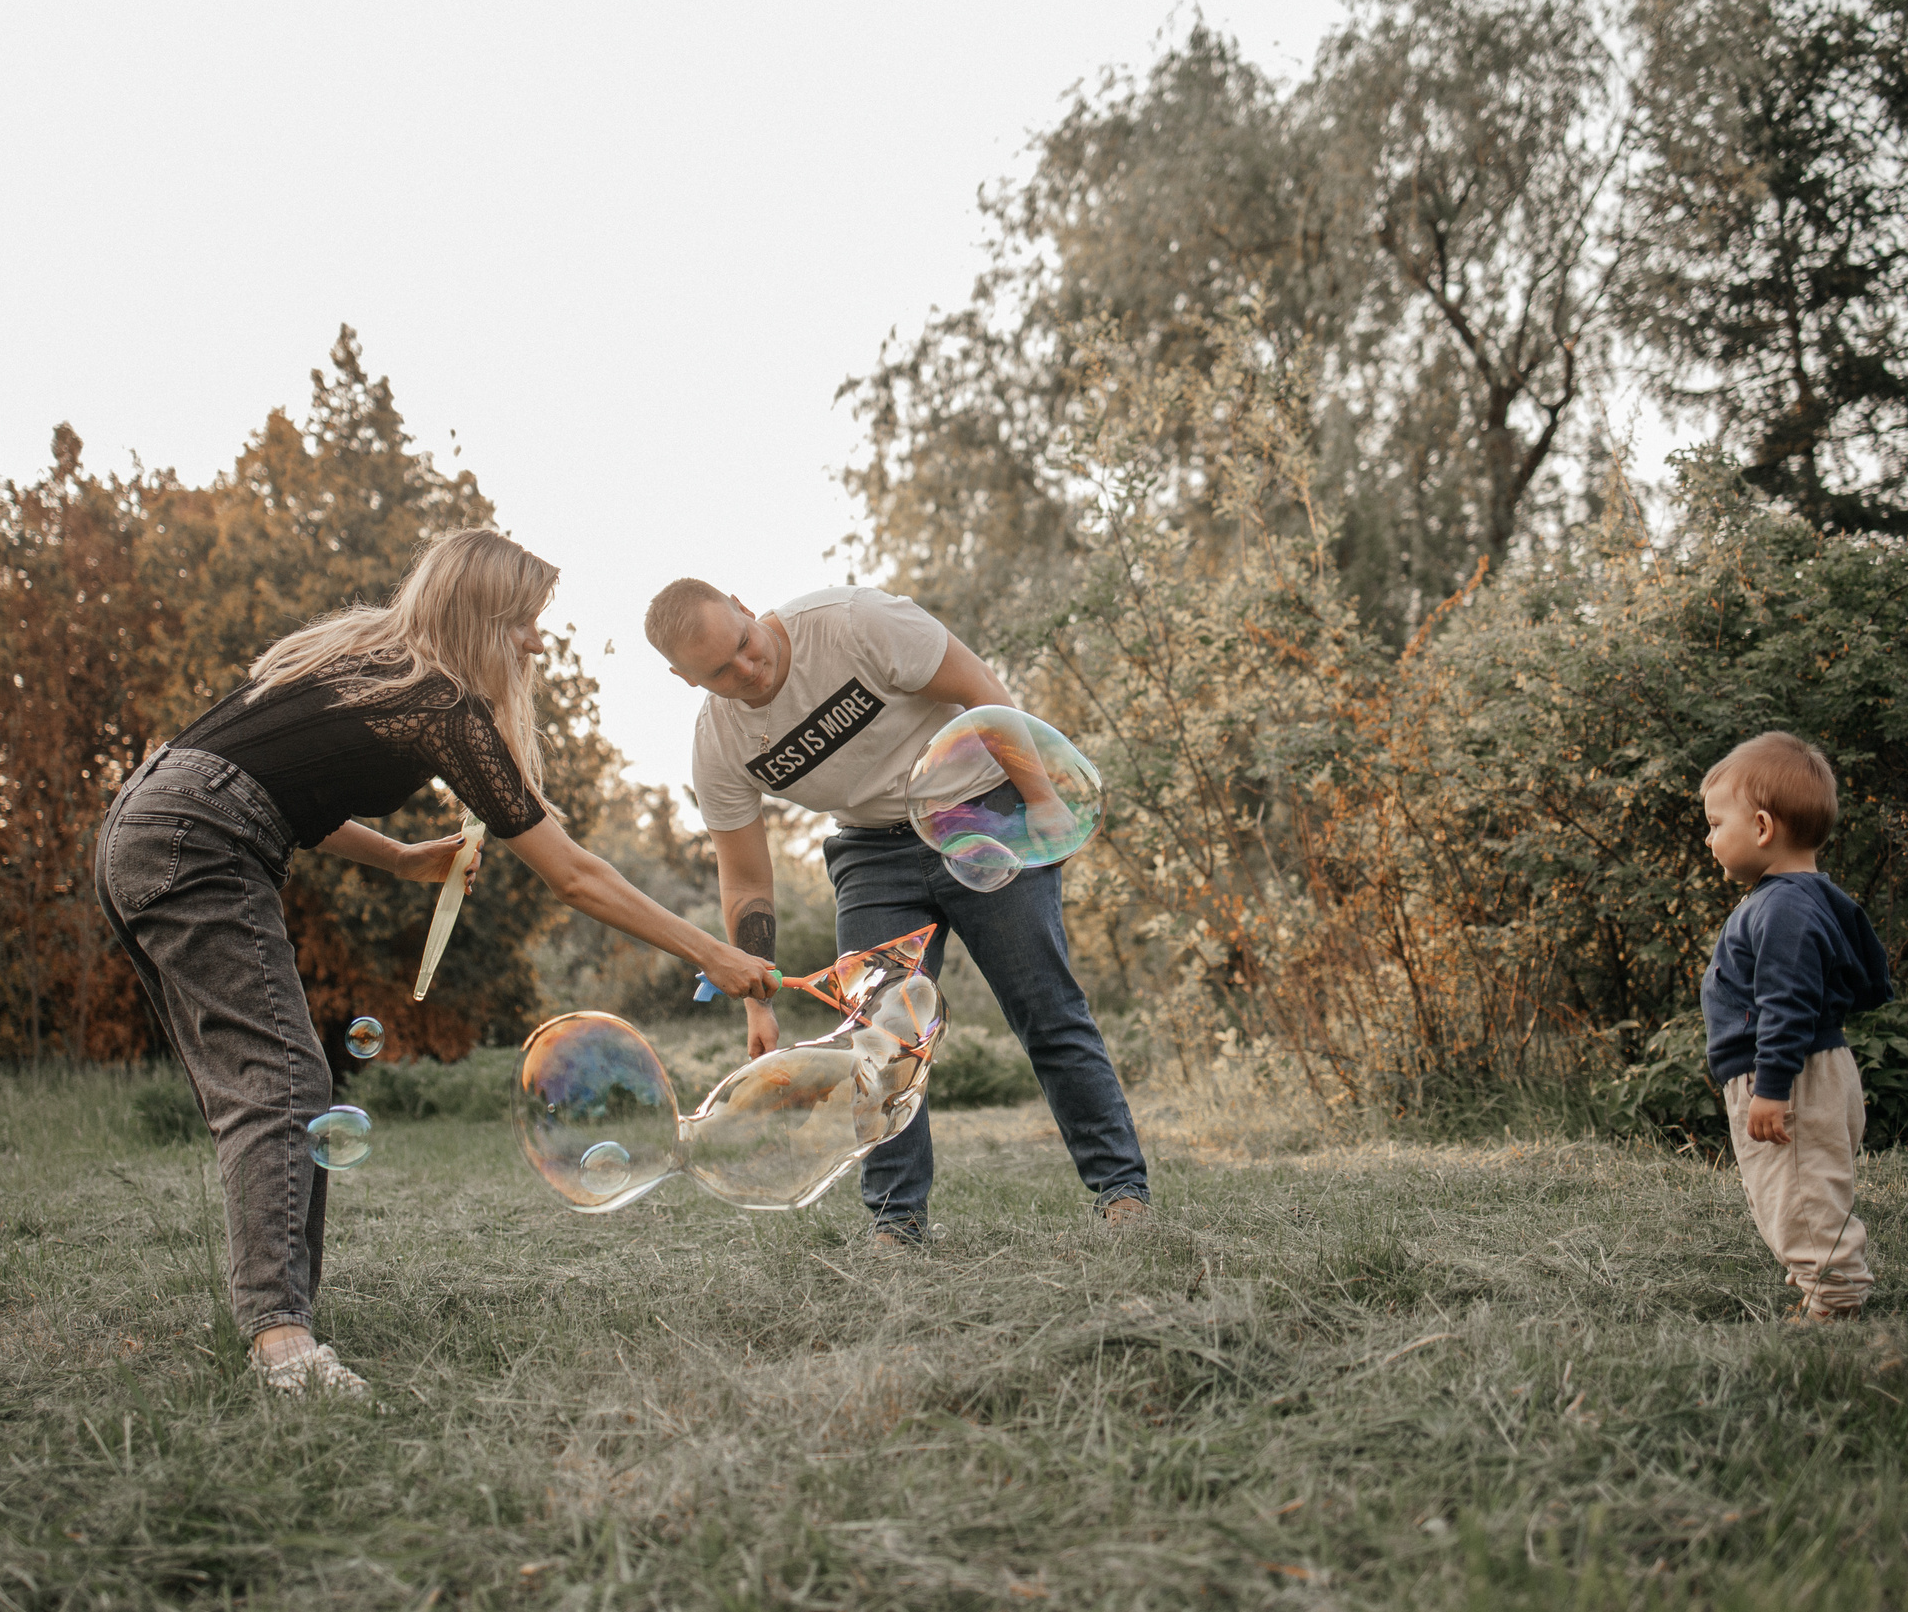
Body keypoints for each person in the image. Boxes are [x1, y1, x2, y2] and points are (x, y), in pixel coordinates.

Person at [96, 531, 774, 1397]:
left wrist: (403, 859)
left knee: (279, 1081)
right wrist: (714, 951)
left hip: (147, 824)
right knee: (281, 1082)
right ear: (482, 616)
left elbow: (264, 782)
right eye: (524, 623)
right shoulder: (439, 702)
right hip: (199, 842)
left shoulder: (362, 661)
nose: (536, 642)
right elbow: (574, 875)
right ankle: (281, 1345)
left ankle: (283, 1316)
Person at [644, 578, 1150, 1246]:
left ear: (743, 606)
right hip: (869, 853)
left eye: (744, 644)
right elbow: (745, 879)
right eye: (719, 671)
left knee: (1046, 1008)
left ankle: (1123, 1194)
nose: (747, 667)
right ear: (685, 679)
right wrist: (756, 998)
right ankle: (896, 1224)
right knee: (881, 1042)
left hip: (981, 805)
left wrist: (1041, 795)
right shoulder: (718, 742)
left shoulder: (856, 621)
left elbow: (982, 690)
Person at [1699, 731, 1892, 1324]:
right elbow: (1861, 979)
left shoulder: (1781, 906)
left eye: (1714, 823)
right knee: (1799, 1191)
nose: (1709, 839)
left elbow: (1787, 1002)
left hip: (1793, 1077)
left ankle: (1834, 1304)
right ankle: (1821, 1287)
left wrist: (1773, 1086)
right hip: (1815, 1068)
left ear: (1761, 828)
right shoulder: (1809, 897)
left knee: (1802, 1194)